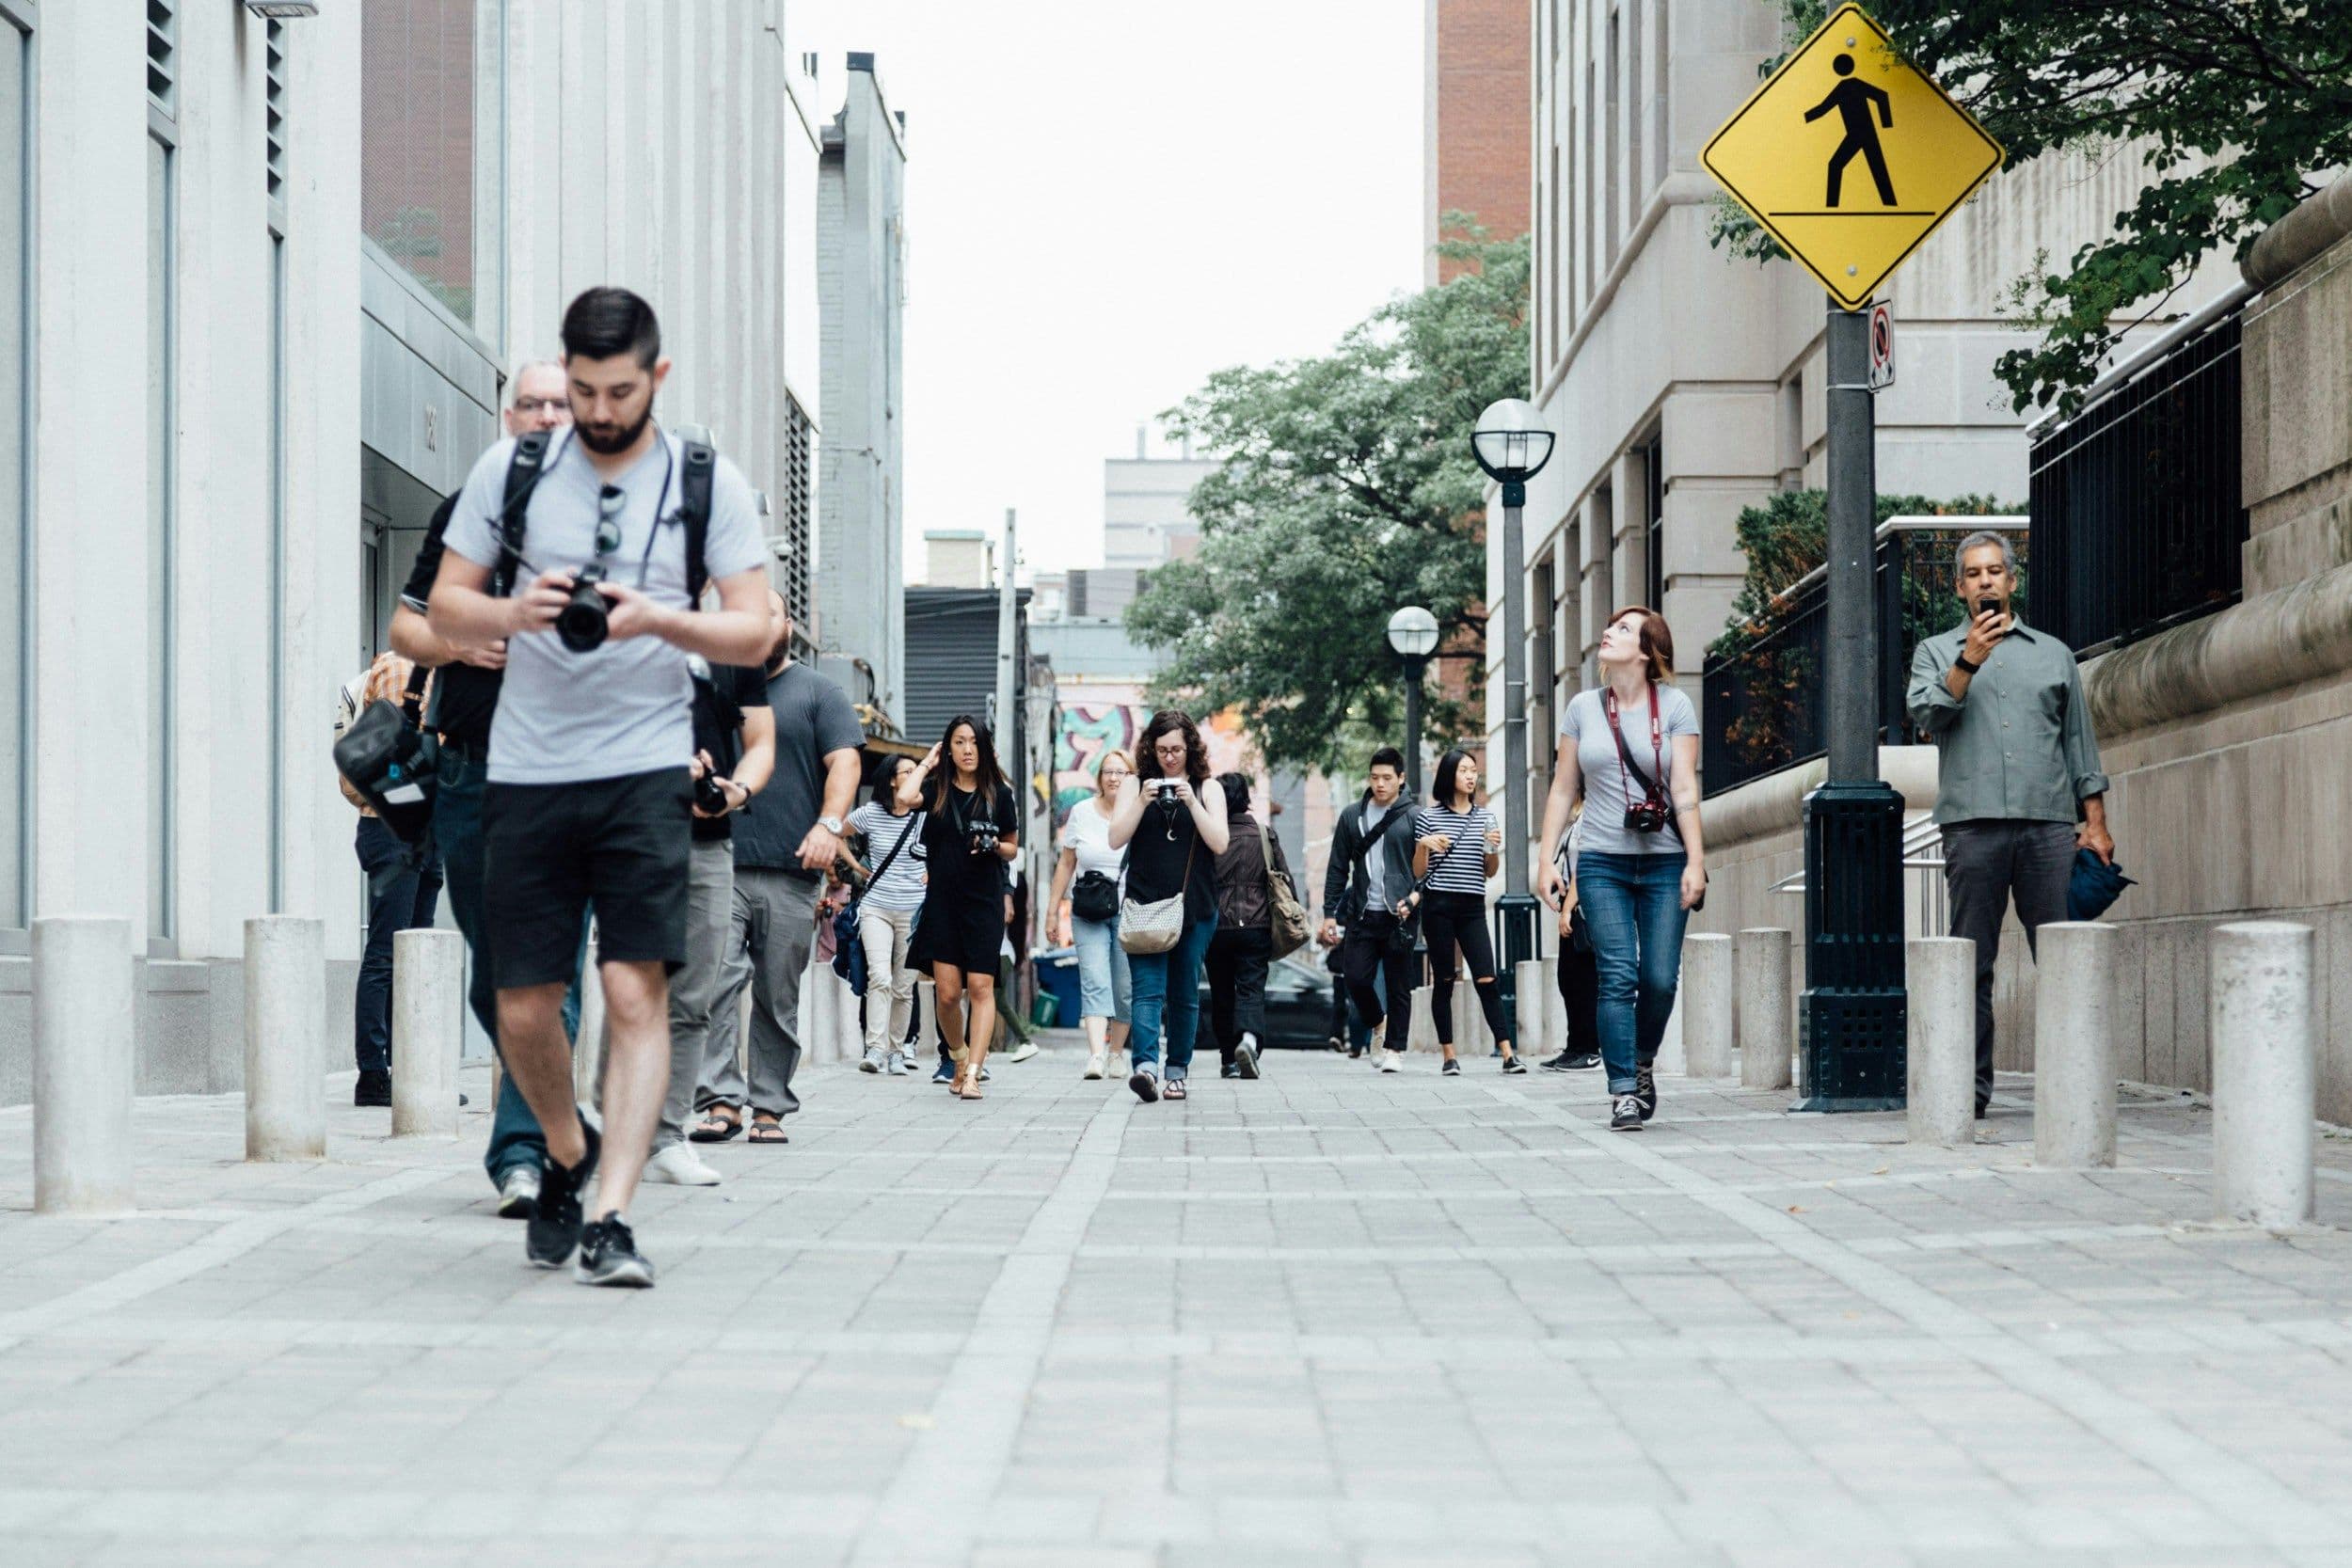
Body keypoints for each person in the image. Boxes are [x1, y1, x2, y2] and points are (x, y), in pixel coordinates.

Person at [426, 286, 774, 1286]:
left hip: (644, 766)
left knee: (632, 987)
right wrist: (512, 611)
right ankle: (569, 1155)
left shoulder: (706, 479)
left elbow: (757, 628)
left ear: (655, 377)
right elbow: (444, 602)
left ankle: (613, 1213)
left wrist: (660, 619)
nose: (597, 410)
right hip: (528, 767)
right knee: (524, 1004)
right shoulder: (516, 467)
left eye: (618, 391)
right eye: (581, 390)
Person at [389, 360, 580, 1218]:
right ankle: (550, 1110)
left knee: (551, 970)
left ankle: (523, 1152)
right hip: (470, 765)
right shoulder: (466, 514)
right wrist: (456, 645)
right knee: (496, 971)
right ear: (509, 417)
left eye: (559, 404)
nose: (544, 416)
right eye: (530, 403)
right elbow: (403, 626)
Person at [1907, 531, 2112, 1118]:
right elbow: (1927, 714)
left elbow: (2080, 744)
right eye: (1973, 574)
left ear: (2012, 581)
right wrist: (1968, 659)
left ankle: (2076, 1083)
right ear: (1959, 587)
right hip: (1971, 829)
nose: (1986, 581)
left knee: (2063, 957)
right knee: (1973, 960)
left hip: (2048, 826)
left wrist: (2094, 823)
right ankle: (1969, 1090)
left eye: (1995, 571)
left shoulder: (2053, 654)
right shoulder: (1934, 651)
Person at [691, 590, 866, 1146]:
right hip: (718, 860)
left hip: (793, 869)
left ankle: (769, 1105)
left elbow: (846, 761)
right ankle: (721, 1100)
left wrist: (829, 826)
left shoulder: (819, 692)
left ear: (787, 624)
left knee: (776, 993)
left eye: (767, 613)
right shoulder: (714, 687)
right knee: (714, 983)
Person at [1537, 607, 1707, 1132]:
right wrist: (1545, 859)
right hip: (1602, 862)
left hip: (1664, 862)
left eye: (1624, 629)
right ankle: (1623, 1092)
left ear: (1648, 651)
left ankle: (1641, 1060)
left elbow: (1683, 789)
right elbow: (1564, 787)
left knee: (1658, 979)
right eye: (1610, 624)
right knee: (1618, 976)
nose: (1608, 632)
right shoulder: (1583, 708)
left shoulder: (1675, 706)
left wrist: (1696, 861)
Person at [644, 641, 773, 1186]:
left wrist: (737, 789)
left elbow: (762, 740)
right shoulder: (622, 627)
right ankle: (623, 1130)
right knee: (635, 989)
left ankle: (667, 1139)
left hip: (709, 841)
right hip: (634, 831)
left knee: (696, 994)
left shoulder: (732, 646)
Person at [333, 652, 445, 1109]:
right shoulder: (407, 668)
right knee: (388, 952)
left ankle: (409, 1072)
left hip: (415, 828)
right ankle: (374, 1075)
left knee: (413, 957)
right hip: (396, 825)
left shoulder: (437, 670)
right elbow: (398, 759)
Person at [1105, 710, 1230, 1102]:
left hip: (1195, 908)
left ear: (1189, 748)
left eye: (1176, 749)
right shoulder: (1133, 785)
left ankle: (1177, 1070)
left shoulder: (1209, 789)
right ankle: (1144, 1068)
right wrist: (1140, 803)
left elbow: (1220, 842)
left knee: (1183, 993)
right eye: (1162, 750)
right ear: (1150, 749)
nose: (1170, 758)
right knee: (1146, 992)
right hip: (1144, 904)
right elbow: (1115, 839)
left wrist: (1193, 804)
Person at [898, 715, 1021, 1099]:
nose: (968, 750)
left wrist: (993, 846)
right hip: (943, 903)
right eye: (959, 742)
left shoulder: (998, 794)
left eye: (974, 742)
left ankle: (973, 1073)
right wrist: (927, 763)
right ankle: (958, 1054)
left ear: (984, 749)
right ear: (948, 748)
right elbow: (903, 799)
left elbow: (1012, 846)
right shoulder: (935, 789)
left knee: (981, 987)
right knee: (948, 994)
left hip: (983, 902)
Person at [1410, 750, 1525, 1076]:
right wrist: (1423, 845)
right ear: (1449, 775)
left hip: (1472, 906)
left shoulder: (1485, 817)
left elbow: (1489, 871)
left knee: (1487, 977)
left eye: (1474, 771)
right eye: (1464, 770)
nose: (1471, 776)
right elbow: (1419, 872)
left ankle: (1507, 1052)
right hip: (1439, 906)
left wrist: (1494, 848)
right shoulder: (1428, 818)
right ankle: (1449, 1055)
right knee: (1445, 979)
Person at [1320, 748, 1421, 1073]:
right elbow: (1337, 867)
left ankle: (1395, 1048)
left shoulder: (1415, 816)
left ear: (1401, 779)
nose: (1380, 784)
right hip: (1362, 912)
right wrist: (1329, 913)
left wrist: (1415, 899)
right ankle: (1379, 1022)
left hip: (1399, 913)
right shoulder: (1353, 816)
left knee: (1398, 983)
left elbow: (1426, 870)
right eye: (1375, 777)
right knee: (1355, 978)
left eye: (1387, 778)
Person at [1049, 750, 1134, 1080]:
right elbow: (1066, 863)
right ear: (1099, 777)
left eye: (1121, 773)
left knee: (1124, 989)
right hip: (1088, 910)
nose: (1114, 778)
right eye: (1108, 772)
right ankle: (1097, 1056)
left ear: (1131, 778)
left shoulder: (1139, 812)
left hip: (1130, 911)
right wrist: (1052, 913)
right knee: (1095, 980)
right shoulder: (1082, 812)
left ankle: (1116, 1054)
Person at [845, 753, 928, 1076]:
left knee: (904, 986)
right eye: (907, 771)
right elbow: (838, 832)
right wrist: (856, 867)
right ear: (892, 780)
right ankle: (876, 1049)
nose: (913, 775)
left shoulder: (925, 816)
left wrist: (933, 871)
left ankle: (897, 1050)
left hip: (914, 911)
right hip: (876, 907)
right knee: (879, 976)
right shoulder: (872, 813)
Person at [1205, 771, 1288, 1080]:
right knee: (1251, 987)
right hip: (1256, 925)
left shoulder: (1210, 836)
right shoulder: (1264, 835)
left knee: (1222, 992)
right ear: (1246, 799)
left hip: (1217, 927)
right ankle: (1249, 1041)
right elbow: (1284, 878)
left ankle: (1228, 1058)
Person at [1542, 805, 1602, 1072]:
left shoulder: (1596, 811)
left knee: (1585, 979)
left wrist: (1568, 908)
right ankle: (1574, 1046)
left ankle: (1590, 1050)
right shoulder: (1578, 814)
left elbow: (1588, 862)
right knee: (1568, 978)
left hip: (1586, 902)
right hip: (1573, 900)